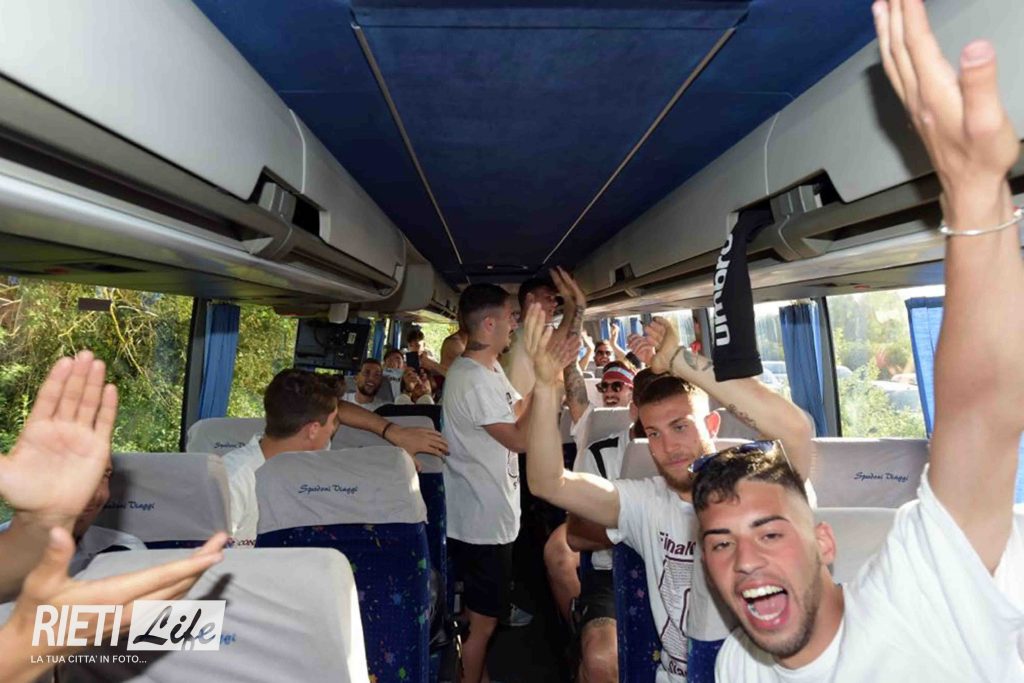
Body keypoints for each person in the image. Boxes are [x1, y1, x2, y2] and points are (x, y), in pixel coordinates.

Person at [705, 2, 1024, 680]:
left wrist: (975, 198)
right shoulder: (738, 664)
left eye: (769, 531)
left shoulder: (920, 602)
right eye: (720, 544)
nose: (745, 561)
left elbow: (982, 414)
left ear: (825, 541)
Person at [524, 304, 813, 682]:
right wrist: (545, 387)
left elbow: (795, 431)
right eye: (654, 434)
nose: (669, 447)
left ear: (711, 424)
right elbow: (548, 482)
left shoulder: (753, 490)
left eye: (681, 426)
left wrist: (679, 360)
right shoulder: (646, 502)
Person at [0, 352, 226, 682]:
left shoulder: (124, 551)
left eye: (104, 476)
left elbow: (169, 651)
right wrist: (39, 642)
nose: (92, 493)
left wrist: (44, 520)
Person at [225, 368, 448, 546]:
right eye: (333, 422)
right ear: (313, 429)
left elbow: (338, 408)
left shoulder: (311, 450)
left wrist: (393, 434)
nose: (335, 427)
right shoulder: (233, 480)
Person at [441, 285, 535, 683]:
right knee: (483, 624)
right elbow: (520, 439)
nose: (514, 324)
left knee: (478, 617)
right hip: (481, 522)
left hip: (488, 512)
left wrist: (543, 387)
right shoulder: (473, 380)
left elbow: (516, 409)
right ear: (490, 324)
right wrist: (548, 390)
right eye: (511, 317)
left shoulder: (488, 369)